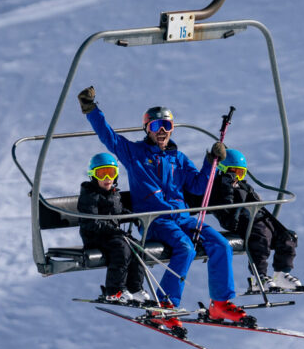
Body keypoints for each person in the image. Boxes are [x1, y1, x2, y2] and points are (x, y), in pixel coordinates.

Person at [77, 86, 252, 328]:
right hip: (156, 220)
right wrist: (91, 109)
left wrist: (211, 161)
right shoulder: (134, 153)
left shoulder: (177, 158)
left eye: (167, 126)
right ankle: (165, 306)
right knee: (186, 248)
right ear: (146, 129)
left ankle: (220, 304)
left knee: (220, 244)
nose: (162, 132)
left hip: (183, 218)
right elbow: (109, 136)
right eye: (156, 126)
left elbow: (198, 186)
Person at [197, 148, 303, 291]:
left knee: (287, 236)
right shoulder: (218, 187)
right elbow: (224, 204)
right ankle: (258, 277)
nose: (236, 177)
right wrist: (226, 182)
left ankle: (281, 274)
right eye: (233, 172)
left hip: (257, 218)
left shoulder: (242, 186)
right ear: (223, 170)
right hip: (237, 220)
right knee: (260, 238)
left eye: (240, 173)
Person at [77, 153, 151, 304]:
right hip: (94, 237)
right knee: (121, 249)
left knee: (138, 247)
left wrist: (132, 217)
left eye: (111, 173)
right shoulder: (89, 196)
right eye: (101, 173)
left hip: (112, 235)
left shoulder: (114, 194)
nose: (107, 178)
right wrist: (114, 230)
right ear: (93, 175)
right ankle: (114, 290)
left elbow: (117, 213)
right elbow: (92, 222)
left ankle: (134, 288)